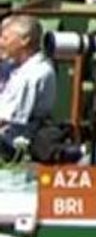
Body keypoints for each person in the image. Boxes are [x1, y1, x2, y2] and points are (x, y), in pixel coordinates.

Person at [0, 15, 55, 155]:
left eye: (5, 38)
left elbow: (9, 121)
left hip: (14, 143)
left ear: (25, 41)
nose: (1, 43)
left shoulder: (35, 73)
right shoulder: (13, 65)